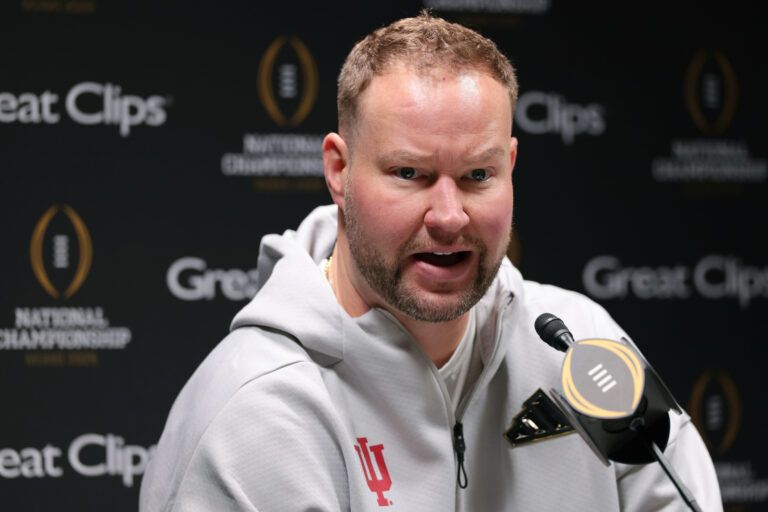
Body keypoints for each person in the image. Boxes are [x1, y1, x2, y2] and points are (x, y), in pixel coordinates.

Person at [140, 12, 722, 511]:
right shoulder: (253, 412)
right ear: (339, 171)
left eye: (478, 175)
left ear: (510, 167)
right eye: (409, 173)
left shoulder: (582, 348)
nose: (448, 216)